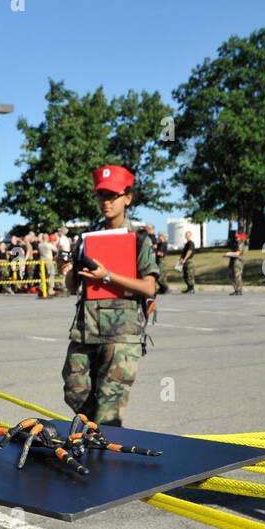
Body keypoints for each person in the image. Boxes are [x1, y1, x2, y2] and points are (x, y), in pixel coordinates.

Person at [61, 165, 158, 427]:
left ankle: (106, 449)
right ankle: (98, 434)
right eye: (102, 196)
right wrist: (68, 271)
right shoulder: (86, 239)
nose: (106, 202)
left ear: (128, 198)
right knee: (74, 390)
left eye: (113, 196)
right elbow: (73, 288)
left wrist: (107, 275)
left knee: (109, 410)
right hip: (86, 329)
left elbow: (150, 287)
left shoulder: (139, 239)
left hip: (122, 335)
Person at [151, 225, 169, 294]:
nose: (158, 237)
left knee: (161, 276)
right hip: (158, 261)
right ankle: (162, 289)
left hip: (161, 261)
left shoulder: (164, 244)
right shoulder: (159, 243)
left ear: (162, 236)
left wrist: (155, 251)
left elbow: (161, 253)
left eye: (159, 236)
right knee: (157, 276)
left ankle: (166, 288)